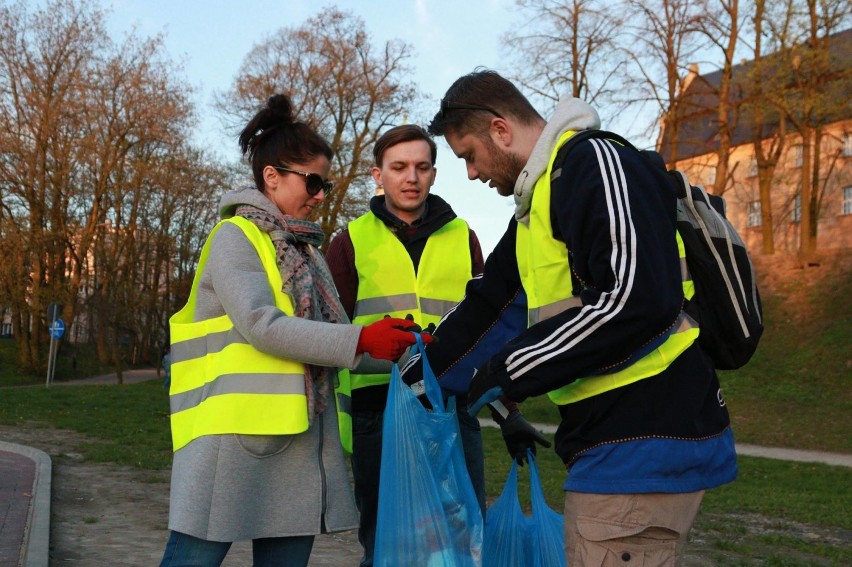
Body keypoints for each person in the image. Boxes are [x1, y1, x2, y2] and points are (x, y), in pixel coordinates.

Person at [400, 70, 738, 565]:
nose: (471, 173)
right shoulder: (539, 204)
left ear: (500, 130)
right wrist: (418, 374)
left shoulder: (595, 163)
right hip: (607, 444)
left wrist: (513, 371)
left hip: (645, 436)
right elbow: (493, 307)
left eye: (468, 155)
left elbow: (635, 297)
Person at [160, 94, 432, 567]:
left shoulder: (305, 250)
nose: (321, 193)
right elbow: (263, 326)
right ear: (272, 176)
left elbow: (335, 342)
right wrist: (362, 339)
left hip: (297, 445)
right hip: (228, 446)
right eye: (313, 181)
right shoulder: (234, 238)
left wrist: (404, 347)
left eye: (324, 182)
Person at [325, 124, 489, 567]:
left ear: (434, 174)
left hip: (452, 408)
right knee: (386, 543)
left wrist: (506, 407)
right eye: (399, 167)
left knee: (461, 536)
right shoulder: (349, 242)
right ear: (377, 176)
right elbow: (327, 329)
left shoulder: (464, 237)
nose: (411, 177)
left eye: (421, 167)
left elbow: (486, 326)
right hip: (376, 412)